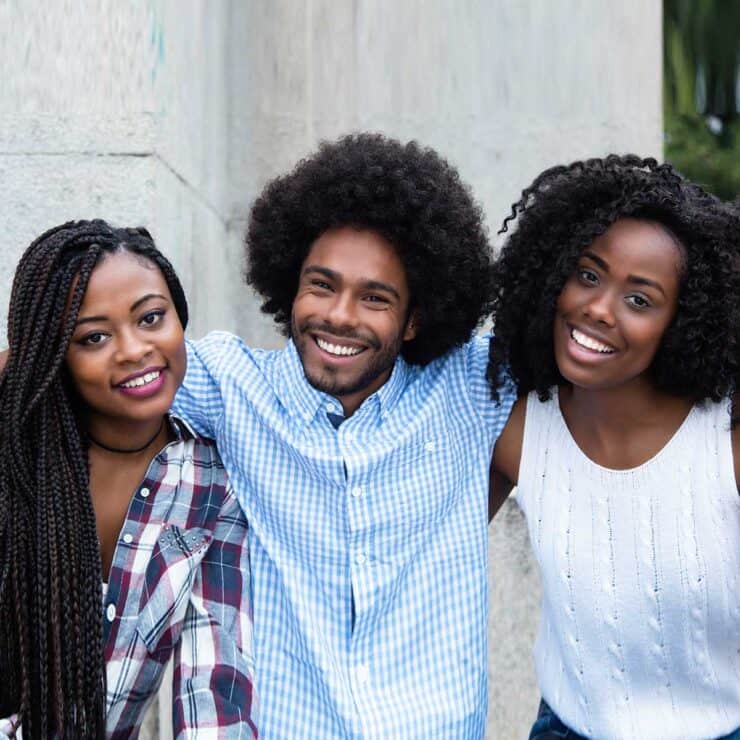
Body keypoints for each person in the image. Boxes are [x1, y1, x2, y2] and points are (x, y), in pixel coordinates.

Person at [173, 133, 515, 736]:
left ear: (414, 320)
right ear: (291, 286)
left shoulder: (469, 386)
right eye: (322, 285)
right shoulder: (231, 386)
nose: (339, 315)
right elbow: (85, 364)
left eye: (374, 298)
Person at [487, 156, 740, 740]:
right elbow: (417, 559)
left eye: (640, 300)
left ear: (684, 321)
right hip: (567, 729)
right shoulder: (519, 430)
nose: (598, 309)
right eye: (587, 274)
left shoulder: (726, 444)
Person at [0, 221, 257, 738]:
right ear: (55, 355)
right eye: (94, 337)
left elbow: (214, 687)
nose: (134, 349)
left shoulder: (210, 489)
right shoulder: (15, 460)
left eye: (151, 317)